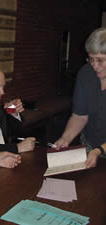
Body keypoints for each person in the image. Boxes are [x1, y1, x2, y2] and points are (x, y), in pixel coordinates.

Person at [54, 27, 106, 168]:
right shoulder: (85, 73)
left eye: (100, 60)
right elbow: (80, 116)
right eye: (91, 59)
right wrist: (66, 138)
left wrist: (100, 150)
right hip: (90, 144)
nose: (95, 66)